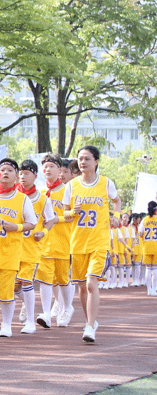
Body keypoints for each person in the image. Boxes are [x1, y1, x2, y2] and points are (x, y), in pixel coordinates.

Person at [0, 158, 37, 339]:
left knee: (6, 292)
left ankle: (6, 324)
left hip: (10, 252)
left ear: (16, 176)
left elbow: (32, 223)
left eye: (10, 170)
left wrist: (16, 227)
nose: (5, 173)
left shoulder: (22, 199)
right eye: (2, 170)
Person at [67, 145, 118, 343]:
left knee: (90, 283)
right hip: (78, 242)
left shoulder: (105, 183)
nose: (83, 162)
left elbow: (116, 200)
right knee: (81, 287)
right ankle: (90, 321)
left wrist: (117, 216)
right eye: (80, 159)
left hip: (99, 241)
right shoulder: (72, 185)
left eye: (87, 159)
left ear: (96, 161)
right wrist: (73, 211)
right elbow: (64, 213)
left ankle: (89, 327)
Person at [13, 160, 55, 335]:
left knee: (27, 281)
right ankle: (27, 303)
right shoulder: (13, 196)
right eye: (21, 173)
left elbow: (51, 219)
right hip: (12, 246)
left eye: (27, 173)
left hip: (31, 247)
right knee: (14, 287)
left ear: (35, 176)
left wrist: (43, 233)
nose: (23, 176)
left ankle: (30, 321)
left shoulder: (42, 198)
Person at [36, 154, 74, 329]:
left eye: (52, 166)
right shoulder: (40, 194)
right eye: (45, 167)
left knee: (62, 279)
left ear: (60, 170)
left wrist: (54, 220)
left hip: (63, 241)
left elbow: (73, 215)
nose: (48, 170)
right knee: (44, 279)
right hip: (44, 242)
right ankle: (46, 313)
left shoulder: (68, 190)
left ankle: (67, 308)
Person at [142, 201, 157, 296]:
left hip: (146, 246)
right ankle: (154, 288)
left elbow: (139, 233)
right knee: (155, 269)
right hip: (156, 246)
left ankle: (149, 290)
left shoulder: (145, 220)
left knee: (148, 269)